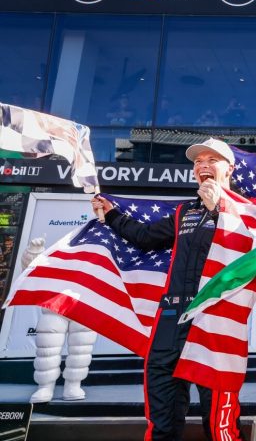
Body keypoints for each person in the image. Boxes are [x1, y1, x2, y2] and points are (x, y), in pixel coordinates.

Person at [91, 138, 244, 441]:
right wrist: (111, 215)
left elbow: (248, 246)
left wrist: (219, 209)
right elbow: (146, 237)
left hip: (213, 316)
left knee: (218, 419)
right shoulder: (183, 211)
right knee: (162, 410)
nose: (203, 166)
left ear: (229, 168)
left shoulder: (248, 211)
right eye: (198, 161)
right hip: (172, 315)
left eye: (211, 160)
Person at [21, 237, 98, 403]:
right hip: (55, 304)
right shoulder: (57, 252)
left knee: (81, 349)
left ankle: (73, 385)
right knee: (48, 348)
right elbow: (34, 272)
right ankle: (45, 387)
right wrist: (34, 253)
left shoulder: (97, 253)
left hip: (84, 303)